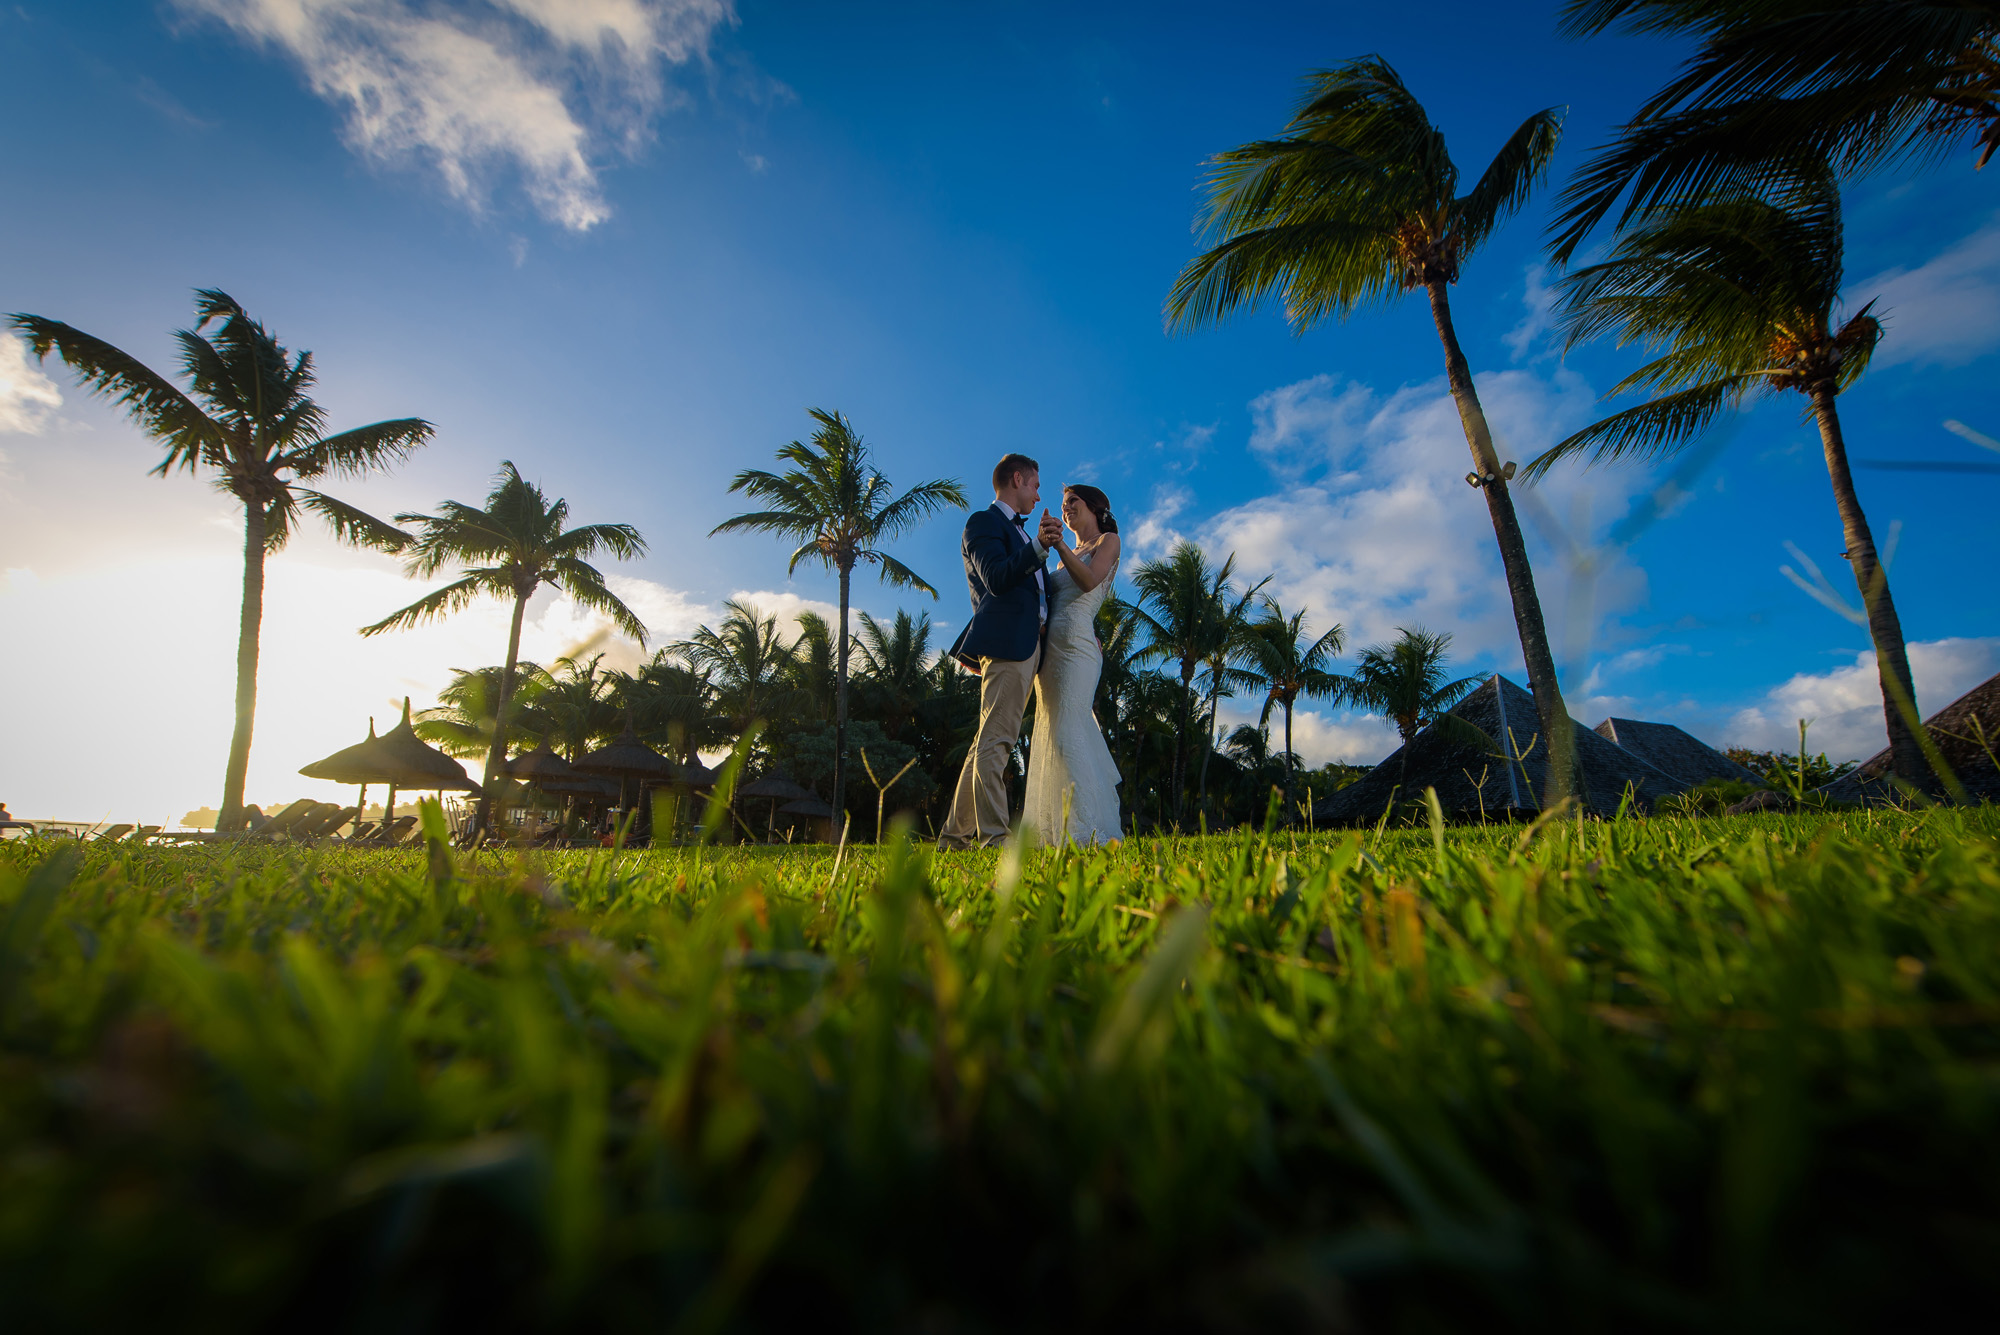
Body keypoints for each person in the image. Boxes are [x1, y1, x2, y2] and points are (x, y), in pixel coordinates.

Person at [939, 453, 1063, 849]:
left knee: (985, 742)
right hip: (1009, 644)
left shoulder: (1024, 534)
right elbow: (996, 578)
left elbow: (1041, 593)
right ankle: (994, 837)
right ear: (1017, 479)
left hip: (1029, 647)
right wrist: (1039, 548)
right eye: (1035, 484)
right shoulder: (983, 523)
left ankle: (953, 837)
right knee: (997, 742)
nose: (1038, 493)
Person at [1024, 484, 1124, 844]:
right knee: (1053, 732)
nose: (1066, 510)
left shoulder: (1107, 542)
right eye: (1064, 506)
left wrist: (1058, 545)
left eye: (1073, 503)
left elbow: (1088, 582)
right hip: (1050, 654)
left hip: (1079, 649)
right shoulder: (1068, 552)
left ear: (1095, 507)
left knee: (1068, 732)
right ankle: (1057, 830)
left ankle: (1091, 827)